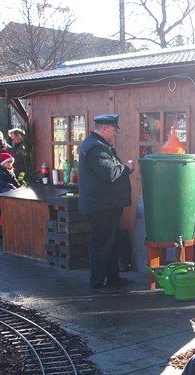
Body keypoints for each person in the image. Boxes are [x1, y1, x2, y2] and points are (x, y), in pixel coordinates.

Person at [78, 114, 134, 293]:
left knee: (110, 241)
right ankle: (98, 280)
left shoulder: (95, 145)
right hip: (101, 205)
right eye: (112, 130)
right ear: (103, 129)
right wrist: (127, 168)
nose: (114, 134)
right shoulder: (96, 148)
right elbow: (109, 173)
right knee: (102, 243)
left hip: (106, 204)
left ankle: (112, 277)